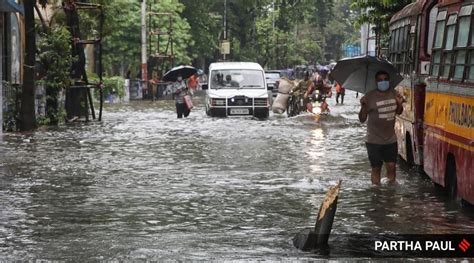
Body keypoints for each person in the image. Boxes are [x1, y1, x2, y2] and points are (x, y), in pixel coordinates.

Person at [359, 71, 404, 185]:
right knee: (376, 168)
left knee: (391, 166)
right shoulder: (369, 97)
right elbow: (362, 119)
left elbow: (399, 112)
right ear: (376, 82)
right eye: (380, 80)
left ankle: (390, 193)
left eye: (385, 79)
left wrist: (399, 103)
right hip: (373, 140)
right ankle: (376, 193)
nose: (383, 82)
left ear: (388, 81)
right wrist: (363, 106)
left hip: (390, 139)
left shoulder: (394, 93)